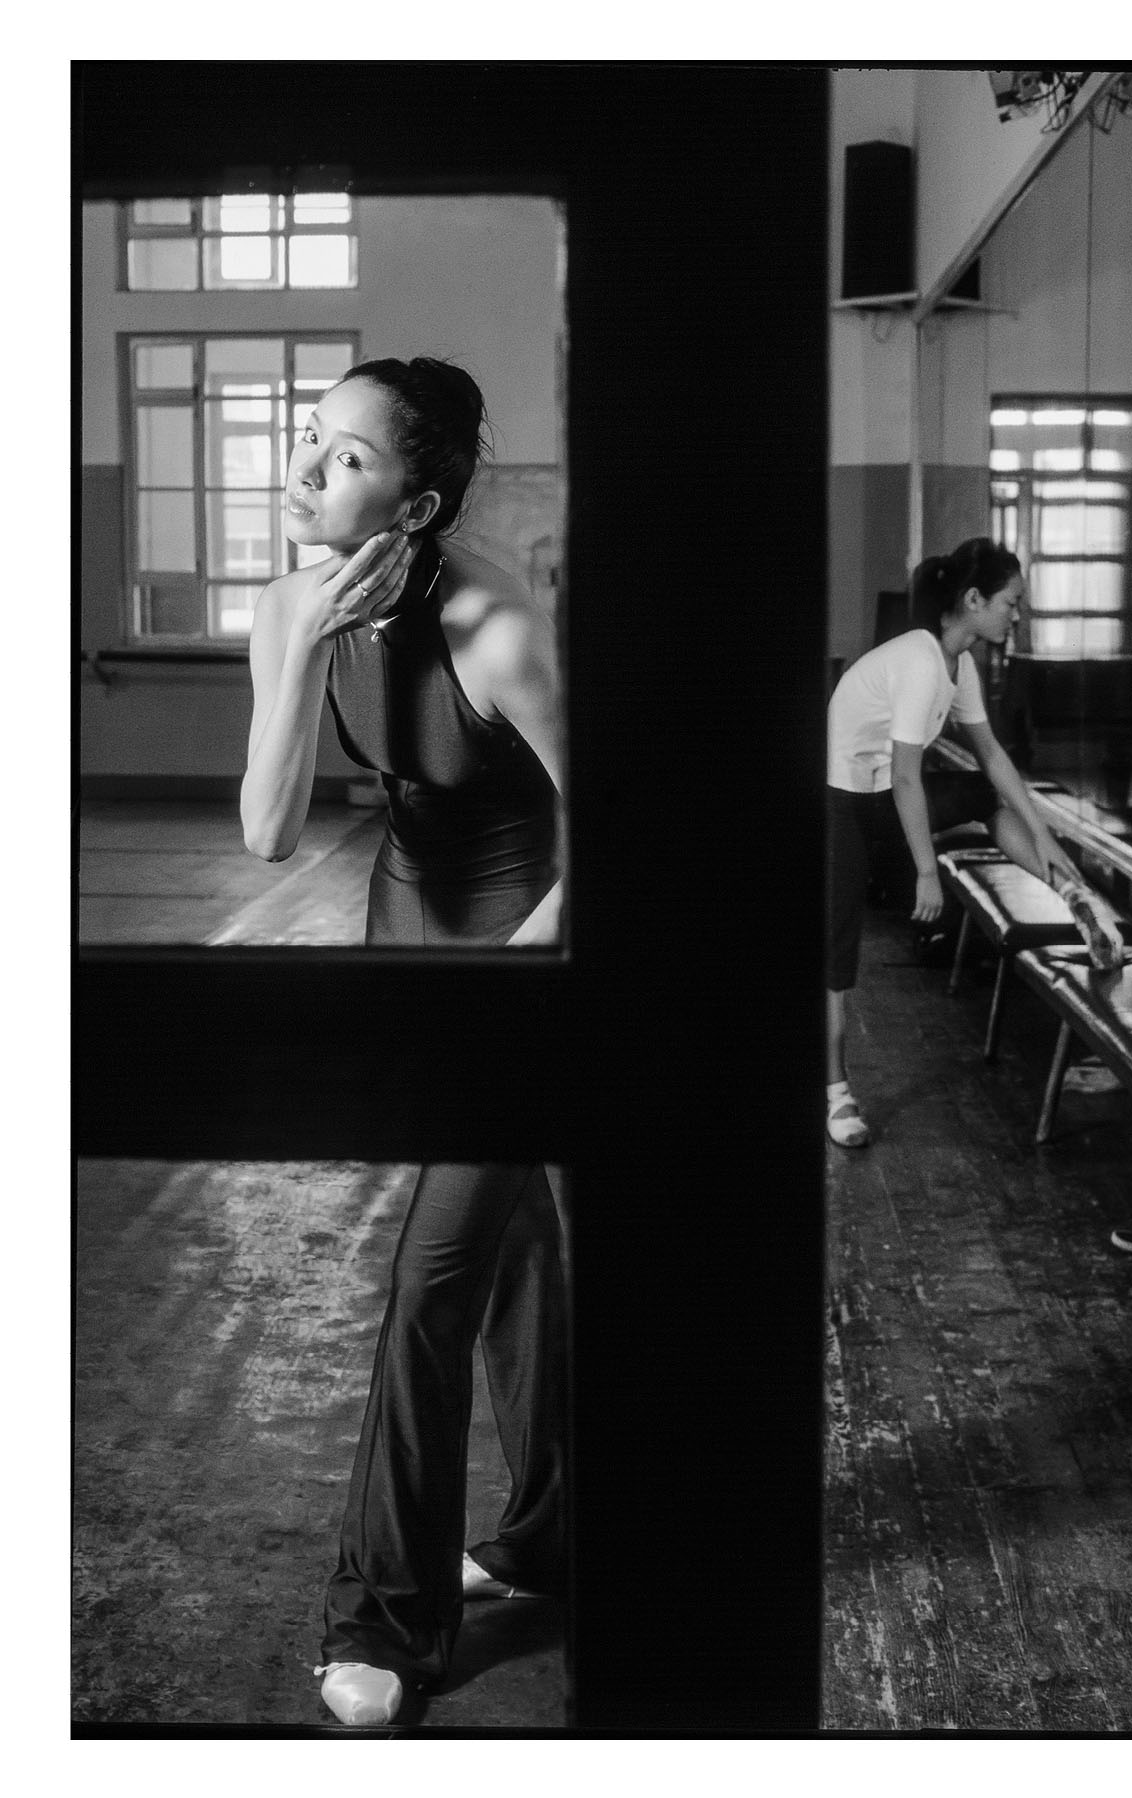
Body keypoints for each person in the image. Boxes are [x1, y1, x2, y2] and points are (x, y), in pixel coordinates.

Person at [241, 357, 567, 1725]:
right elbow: (267, 832)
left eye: (349, 457)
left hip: (526, 940)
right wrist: (305, 643)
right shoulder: (288, 605)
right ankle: (553, 1533)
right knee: (514, 1246)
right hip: (408, 927)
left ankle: (384, 1615)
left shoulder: (489, 620)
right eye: (312, 439)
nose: (307, 468)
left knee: (434, 1270)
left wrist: (515, 984)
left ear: (417, 503)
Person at [825, 537, 1124, 1150]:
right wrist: (926, 871)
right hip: (839, 805)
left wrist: (1047, 842)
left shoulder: (957, 663)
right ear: (973, 600)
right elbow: (908, 777)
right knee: (835, 951)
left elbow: (992, 756)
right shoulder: (919, 661)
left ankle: (1071, 893)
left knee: (987, 798)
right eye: (1011, 603)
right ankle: (836, 1092)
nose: (1017, 616)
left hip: (882, 795)